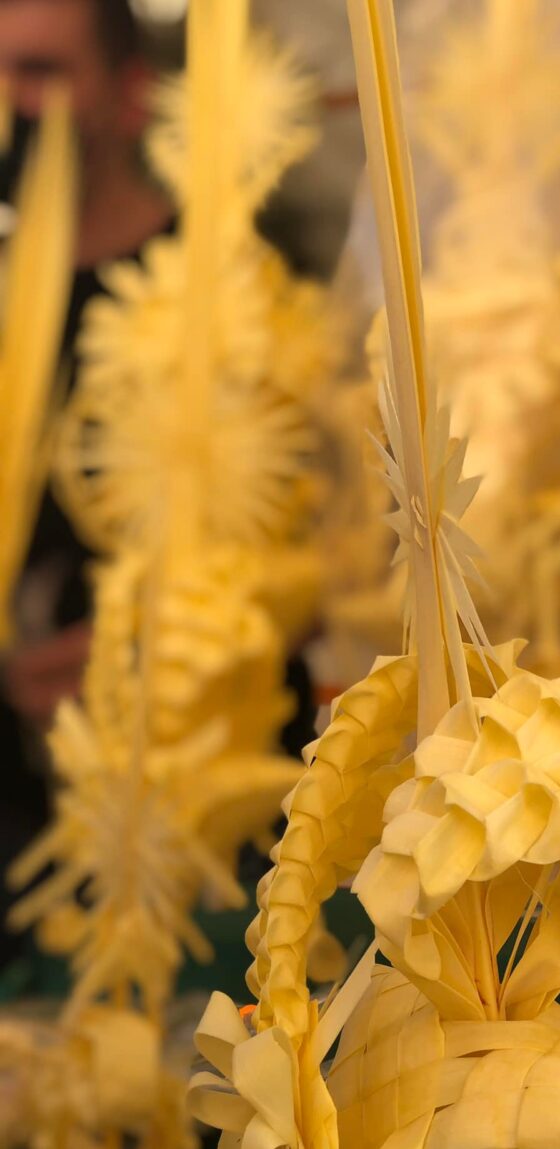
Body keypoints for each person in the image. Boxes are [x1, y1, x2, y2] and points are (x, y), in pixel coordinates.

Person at [0, 0, 172, 966]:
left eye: (43, 72)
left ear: (131, 95)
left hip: (187, 822)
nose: (10, 104)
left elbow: (325, 553)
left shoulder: (227, 290)